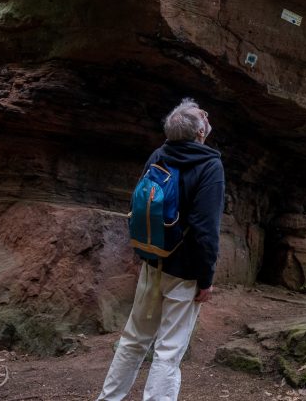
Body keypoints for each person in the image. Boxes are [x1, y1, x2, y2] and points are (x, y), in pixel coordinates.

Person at [96, 98, 225, 401]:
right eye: (201, 114)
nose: (205, 114)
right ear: (200, 133)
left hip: (152, 263)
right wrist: (206, 280)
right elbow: (205, 230)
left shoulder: (159, 154)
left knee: (132, 340)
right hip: (184, 273)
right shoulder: (210, 166)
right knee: (168, 351)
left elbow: (136, 205)